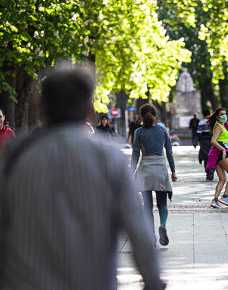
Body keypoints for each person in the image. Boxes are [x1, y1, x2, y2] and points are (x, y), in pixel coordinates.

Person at [0, 66, 165, 289]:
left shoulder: (13, 156)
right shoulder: (109, 158)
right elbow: (139, 230)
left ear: (39, 106)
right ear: (90, 110)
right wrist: (152, 280)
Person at [132, 103, 177, 247]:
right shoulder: (163, 130)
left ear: (141, 116)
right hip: (160, 170)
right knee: (162, 204)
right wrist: (174, 171)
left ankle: (151, 236)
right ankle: (162, 225)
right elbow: (169, 151)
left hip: (145, 171)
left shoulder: (138, 132)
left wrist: (131, 172)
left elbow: (135, 154)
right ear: (155, 115)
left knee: (147, 207)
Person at [206, 108, 228, 208]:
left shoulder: (220, 126)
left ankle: (215, 200)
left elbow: (220, 139)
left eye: (225, 114)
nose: (224, 116)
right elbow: (213, 141)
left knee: (222, 179)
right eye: (221, 114)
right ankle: (225, 197)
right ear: (217, 117)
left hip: (216, 152)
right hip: (220, 152)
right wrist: (223, 149)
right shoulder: (219, 126)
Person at [197, 110, 215, 181]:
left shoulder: (201, 122)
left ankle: (208, 173)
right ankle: (212, 171)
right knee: (213, 157)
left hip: (204, 142)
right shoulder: (213, 121)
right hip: (212, 141)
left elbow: (198, 132)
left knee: (206, 158)